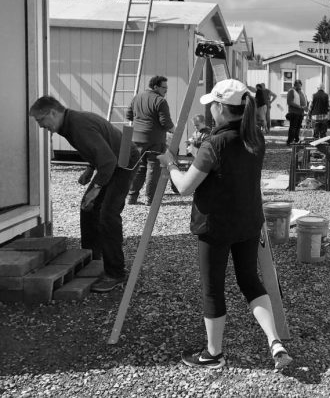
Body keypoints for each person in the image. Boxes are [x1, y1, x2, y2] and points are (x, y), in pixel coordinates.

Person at [157, 79, 292, 371]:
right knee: (249, 280)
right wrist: (198, 152)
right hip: (248, 222)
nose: (210, 112)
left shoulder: (214, 143)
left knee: (213, 289)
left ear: (220, 108)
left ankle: (213, 354)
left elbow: (184, 187)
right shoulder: (255, 137)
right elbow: (227, 165)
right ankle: (274, 341)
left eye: (212, 107)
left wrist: (170, 164)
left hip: (216, 226)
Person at [29, 96, 139, 293]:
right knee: (88, 209)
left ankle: (116, 273)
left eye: (40, 120)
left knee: (107, 215)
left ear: (53, 113)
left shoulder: (78, 125)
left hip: (124, 161)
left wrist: (95, 190)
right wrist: (90, 169)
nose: (40, 126)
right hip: (114, 159)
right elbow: (99, 148)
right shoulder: (70, 123)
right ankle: (92, 259)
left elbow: (107, 162)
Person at [126, 75, 175, 205]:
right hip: (154, 139)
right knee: (153, 168)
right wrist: (175, 131)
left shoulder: (137, 97)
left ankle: (132, 197)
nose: (166, 90)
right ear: (155, 87)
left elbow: (129, 115)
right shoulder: (160, 101)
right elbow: (165, 123)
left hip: (136, 138)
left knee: (139, 167)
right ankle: (150, 199)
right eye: (164, 87)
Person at [286, 79, 307, 145]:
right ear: (295, 85)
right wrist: (299, 106)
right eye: (298, 85)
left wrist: (306, 108)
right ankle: (290, 141)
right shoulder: (291, 91)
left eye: (300, 85)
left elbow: (305, 100)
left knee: (298, 127)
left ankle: (296, 139)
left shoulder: (301, 92)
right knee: (293, 127)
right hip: (293, 112)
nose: (300, 87)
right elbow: (289, 102)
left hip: (300, 113)